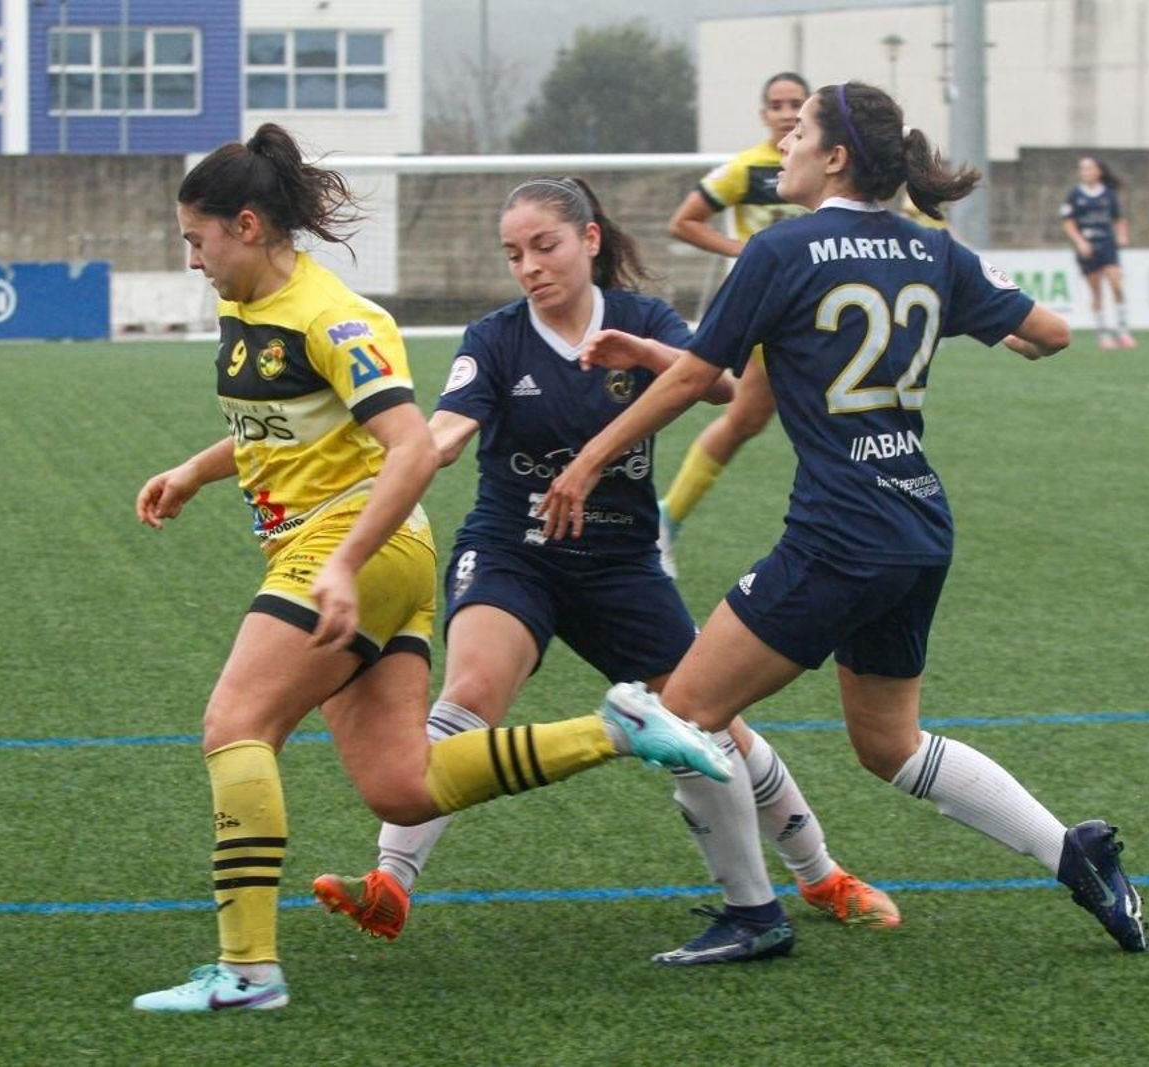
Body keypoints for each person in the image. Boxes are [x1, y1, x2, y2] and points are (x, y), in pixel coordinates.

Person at [129, 125, 733, 1014]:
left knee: (234, 725)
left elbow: (411, 447)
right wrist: (195, 468)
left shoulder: (333, 318)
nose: (191, 258)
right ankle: (616, 729)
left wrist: (342, 563)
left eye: (196, 238)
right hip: (349, 552)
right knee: (402, 786)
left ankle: (247, 971)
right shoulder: (249, 308)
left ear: (247, 225)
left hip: (347, 549)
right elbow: (286, 427)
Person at [539, 82, 1149, 954]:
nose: (782, 145)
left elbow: (694, 380)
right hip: (916, 527)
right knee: (890, 744)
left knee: (681, 716)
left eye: (799, 132)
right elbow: (1048, 333)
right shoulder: (932, 251)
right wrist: (989, 322)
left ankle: (753, 915)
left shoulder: (782, 249)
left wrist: (589, 459)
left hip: (840, 534)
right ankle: (1075, 853)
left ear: (835, 158)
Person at [312, 175, 901, 969]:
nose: (529, 266)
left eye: (544, 245)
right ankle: (391, 878)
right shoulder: (493, 338)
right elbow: (448, 428)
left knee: (713, 724)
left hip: (622, 563)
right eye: (513, 254)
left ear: (590, 240)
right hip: (513, 548)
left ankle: (821, 875)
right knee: (473, 690)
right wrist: (425, 450)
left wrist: (655, 355)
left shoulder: (643, 320)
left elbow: (724, 387)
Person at [655, 72, 811, 577]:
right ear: (763, 114)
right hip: (772, 319)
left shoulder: (823, 165)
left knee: (760, 422)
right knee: (753, 420)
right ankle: (664, 522)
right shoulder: (747, 170)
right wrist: (742, 251)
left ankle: (664, 521)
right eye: (776, 104)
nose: (786, 112)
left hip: (819, 315)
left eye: (796, 104)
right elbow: (683, 221)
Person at [1060, 156, 1135, 350]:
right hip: (1087, 248)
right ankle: (1103, 334)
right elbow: (1068, 222)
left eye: (1089, 168)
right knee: (1096, 291)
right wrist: (1080, 242)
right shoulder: (1075, 195)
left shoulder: (1109, 194)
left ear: (1098, 171)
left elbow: (1118, 219)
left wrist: (1122, 236)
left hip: (1107, 245)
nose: (1086, 172)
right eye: (1082, 169)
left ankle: (1123, 329)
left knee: (1116, 284)